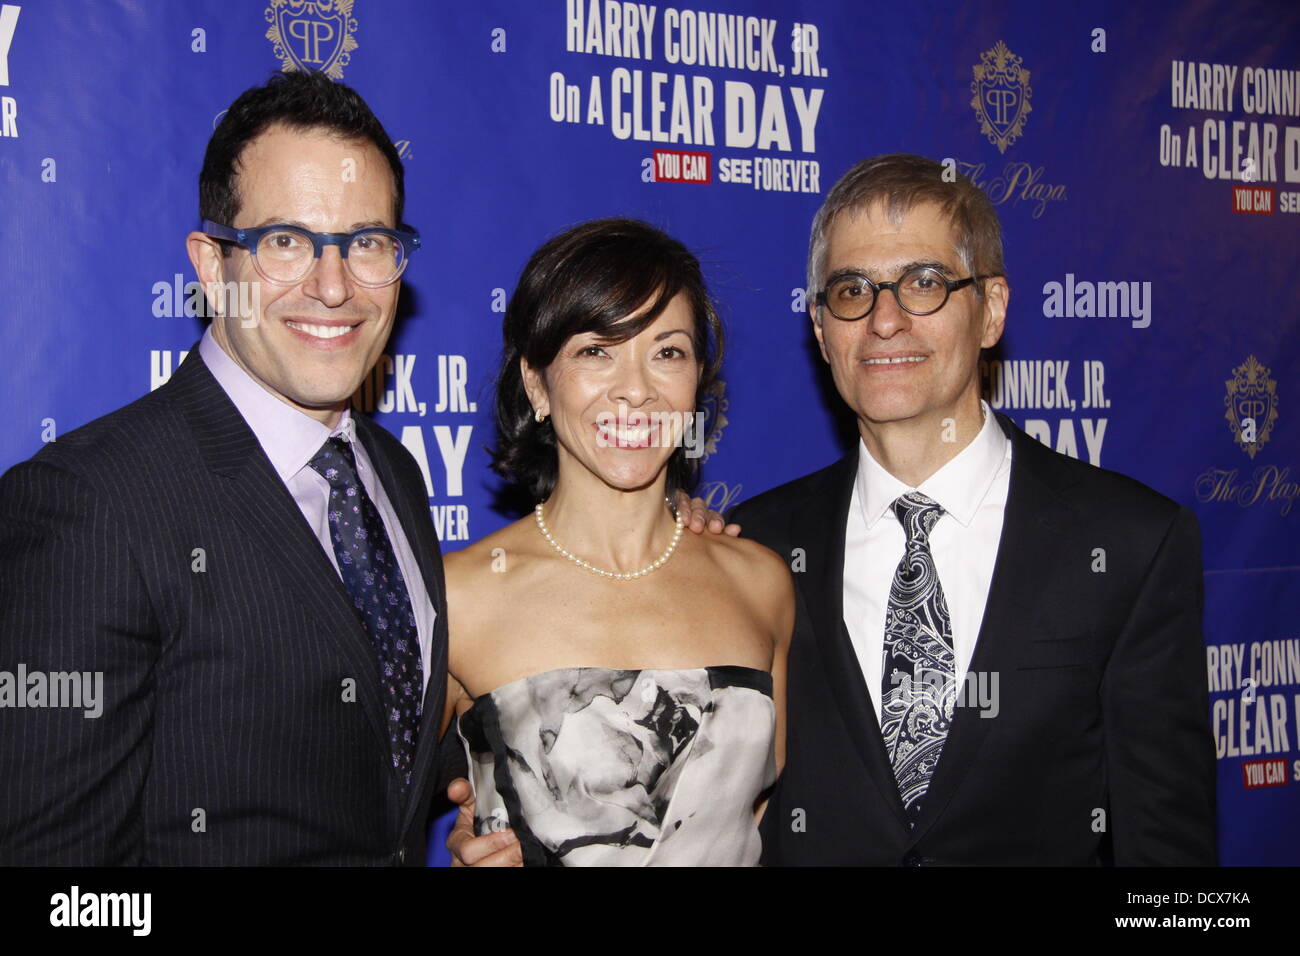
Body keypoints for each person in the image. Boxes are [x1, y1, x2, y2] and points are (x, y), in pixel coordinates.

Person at [690, 153, 1216, 865]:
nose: (884, 321)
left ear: (992, 310)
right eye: (852, 291)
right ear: (820, 329)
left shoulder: (1129, 543)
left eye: (924, 283)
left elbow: (1170, 860)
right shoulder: (752, 548)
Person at [0, 70, 464, 864]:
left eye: (367, 243)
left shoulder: (392, 472)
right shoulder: (87, 505)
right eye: (285, 241)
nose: (333, 285)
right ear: (212, 264)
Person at [440, 218, 793, 866]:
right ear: (538, 384)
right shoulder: (459, 596)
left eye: (668, 352)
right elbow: (367, 822)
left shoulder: (761, 583)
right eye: (596, 350)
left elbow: (757, 826)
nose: (636, 388)